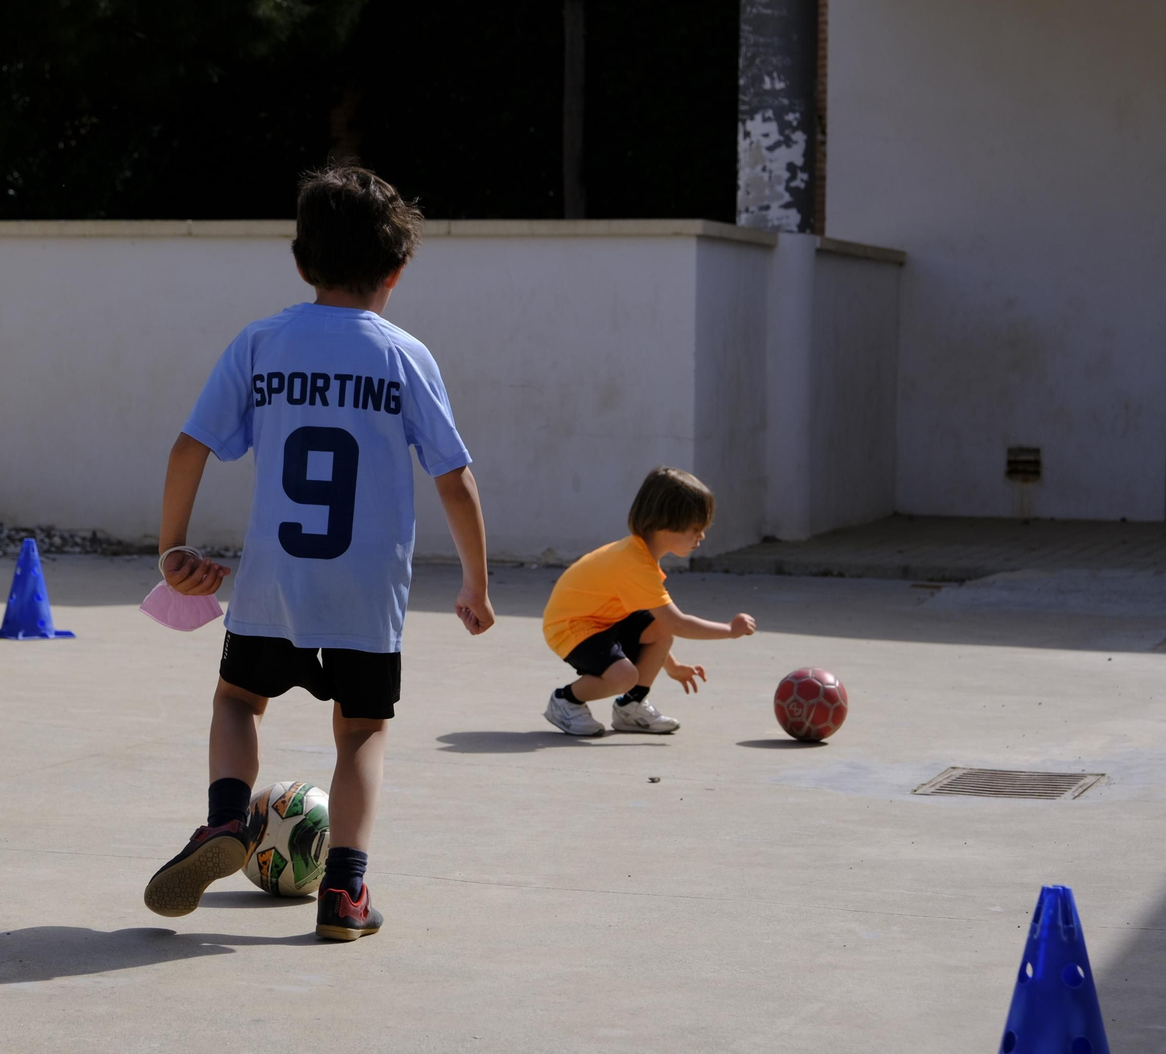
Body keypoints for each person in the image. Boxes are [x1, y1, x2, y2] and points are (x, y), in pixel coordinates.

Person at [144, 164, 494, 941]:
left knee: (238, 700)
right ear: (396, 272)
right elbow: (456, 480)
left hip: (277, 585)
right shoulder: (405, 355)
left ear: (301, 263)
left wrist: (172, 548)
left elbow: (187, 448)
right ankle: (345, 892)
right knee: (362, 729)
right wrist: (475, 582)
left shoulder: (262, 342)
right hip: (367, 596)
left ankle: (226, 819)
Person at [541, 466, 756, 736]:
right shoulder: (635, 565)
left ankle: (631, 707)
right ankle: (565, 701)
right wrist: (730, 630)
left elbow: (664, 623)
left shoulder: (640, 557)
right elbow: (679, 623)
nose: (701, 536)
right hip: (571, 626)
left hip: (604, 620)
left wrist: (673, 667)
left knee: (658, 628)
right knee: (624, 676)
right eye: (695, 528)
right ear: (666, 523)